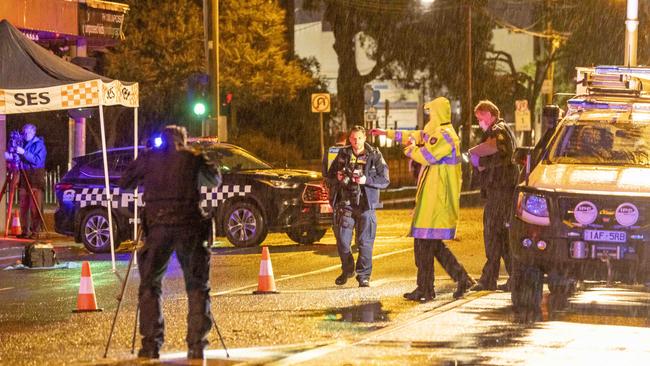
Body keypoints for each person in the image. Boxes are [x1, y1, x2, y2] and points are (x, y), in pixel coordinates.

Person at [119, 125, 221, 360]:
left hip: (157, 228)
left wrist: (144, 162)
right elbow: (214, 180)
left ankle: (150, 345)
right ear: (182, 140)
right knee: (197, 287)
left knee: (150, 285)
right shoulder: (192, 157)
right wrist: (198, 157)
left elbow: (125, 183)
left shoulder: (148, 157)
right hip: (189, 227)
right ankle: (196, 346)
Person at [371, 97, 473, 302]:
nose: (429, 116)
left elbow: (426, 156)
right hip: (432, 199)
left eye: (431, 113)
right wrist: (387, 134)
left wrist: (410, 150)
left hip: (437, 200)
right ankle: (457, 279)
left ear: (438, 113)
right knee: (431, 245)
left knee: (424, 246)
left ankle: (427, 288)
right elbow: (415, 135)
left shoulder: (445, 136)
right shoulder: (436, 133)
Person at [327, 125, 389, 287]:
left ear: (364, 138)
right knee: (342, 240)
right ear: (349, 139)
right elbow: (329, 176)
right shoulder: (343, 154)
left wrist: (366, 181)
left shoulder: (374, 155)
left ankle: (364, 276)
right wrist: (338, 177)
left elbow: (385, 180)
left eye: (359, 138)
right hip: (346, 203)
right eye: (353, 138)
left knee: (365, 242)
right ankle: (348, 269)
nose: (356, 142)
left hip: (366, 204)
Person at [470, 100, 519, 292]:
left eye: (480, 117)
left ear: (489, 114)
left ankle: (489, 278)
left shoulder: (498, 130)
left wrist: (478, 158)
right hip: (502, 191)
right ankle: (513, 277)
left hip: (500, 191)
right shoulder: (502, 129)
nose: (479, 121)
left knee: (493, 234)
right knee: (503, 236)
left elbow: (497, 151)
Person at [3, 124, 47, 239]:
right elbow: (16, 157)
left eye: (27, 132)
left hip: (35, 178)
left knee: (35, 207)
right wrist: (10, 156)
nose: (25, 134)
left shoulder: (39, 144)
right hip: (23, 177)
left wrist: (23, 152)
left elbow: (37, 160)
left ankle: (36, 231)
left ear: (33, 132)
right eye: (23, 132)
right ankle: (24, 230)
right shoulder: (21, 142)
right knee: (23, 206)